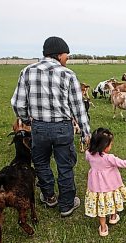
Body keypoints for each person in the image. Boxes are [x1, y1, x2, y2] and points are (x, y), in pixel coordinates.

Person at [11, 36, 90, 217]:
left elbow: (17, 104)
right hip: (63, 127)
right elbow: (78, 108)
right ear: (59, 55)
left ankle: (49, 196)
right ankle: (67, 205)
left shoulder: (27, 72)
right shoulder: (68, 74)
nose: (67, 59)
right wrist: (86, 132)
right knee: (65, 166)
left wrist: (27, 120)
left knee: (41, 162)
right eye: (66, 56)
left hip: (39, 127)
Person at [84, 128, 126, 237]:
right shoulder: (109, 158)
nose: (111, 146)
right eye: (110, 144)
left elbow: (89, 160)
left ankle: (103, 228)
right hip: (111, 185)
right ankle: (113, 217)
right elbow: (124, 164)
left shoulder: (88, 154)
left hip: (96, 187)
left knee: (101, 208)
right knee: (112, 200)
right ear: (104, 146)